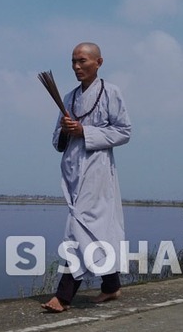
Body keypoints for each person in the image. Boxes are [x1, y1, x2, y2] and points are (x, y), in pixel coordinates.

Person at [42, 42, 132, 312]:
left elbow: (124, 132)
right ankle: (111, 285)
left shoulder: (110, 92)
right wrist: (67, 131)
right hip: (73, 170)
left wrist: (86, 132)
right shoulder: (68, 98)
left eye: (82, 61)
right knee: (96, 229)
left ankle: (64, 295)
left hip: (98, 171)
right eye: (73, 61)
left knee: (79, 227)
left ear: (98, 62)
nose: (77, 67)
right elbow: (57, 142)